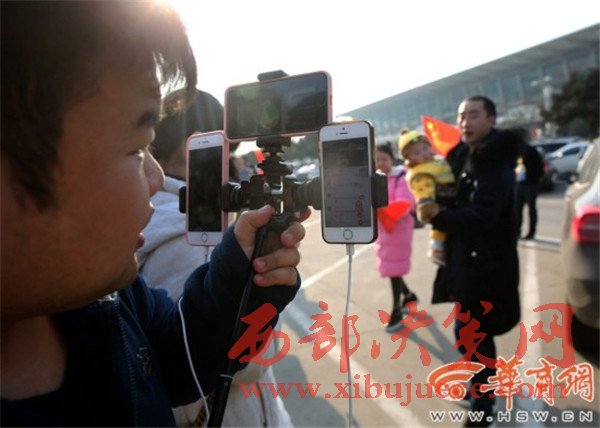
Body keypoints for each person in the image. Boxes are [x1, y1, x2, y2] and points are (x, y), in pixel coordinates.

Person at [1, 3, 307, 426]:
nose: (155, 177)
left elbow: (180, 355)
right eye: (136, 148)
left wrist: (239, 271)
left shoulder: (111, 298)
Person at [137, 88, 293, 427]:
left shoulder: (159, 219)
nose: (232, 160)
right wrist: (268, 302)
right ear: (197, 146)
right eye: (229, 148)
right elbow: (247, 360)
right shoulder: (188, 236)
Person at [418, 96, 521, 427]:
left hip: (489, 264)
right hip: (465, 260)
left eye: (473, 115)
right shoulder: (460, 157)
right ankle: (481, 388)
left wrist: (438, 215)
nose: (465, 122)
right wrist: (426, 195)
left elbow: (482, 216)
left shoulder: (496, 164)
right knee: (469, 334)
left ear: (491, 119)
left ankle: (483, 403)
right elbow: (452, 197)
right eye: (461, 116)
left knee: (474, 333)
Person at [373, 143, 417, 333]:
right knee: (393, 267)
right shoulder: (375, 179)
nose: (380, 163)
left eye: (384, 159)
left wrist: (383, 210)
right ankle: (409, 296)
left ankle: (396, 310)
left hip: (398, 228)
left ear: (392, 159)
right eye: (377, 160)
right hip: (385, 228)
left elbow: (405, 202)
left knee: (394, 269)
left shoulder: (400, 177)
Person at [398, 129, 456, 265]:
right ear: (409, 158)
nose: (423, 153)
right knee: (440, 228)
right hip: (439, 202)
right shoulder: (420, 172)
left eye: (424, 148)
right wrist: (426, 205)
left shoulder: (437, 162)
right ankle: (436, 248)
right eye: (417, 153)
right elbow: (423, 191)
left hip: (450, 197)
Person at [514, 136, 544, 240]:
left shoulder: (532, 152)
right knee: (517, 208)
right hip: (520, 183)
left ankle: (531, 232)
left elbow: (539, 167)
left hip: (531, 184)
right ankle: (517, 231)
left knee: (531, 208)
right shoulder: (517, 153)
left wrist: (536, 178)